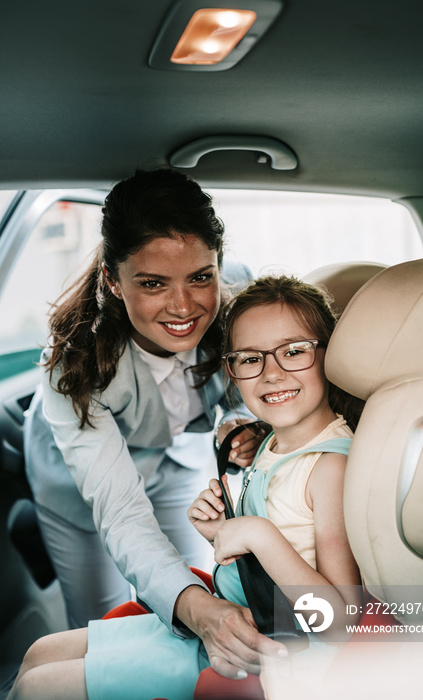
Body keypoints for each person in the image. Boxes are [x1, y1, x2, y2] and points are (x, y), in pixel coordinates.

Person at [10, 275, 362, 700]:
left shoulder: (329, 467)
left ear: (330, 354)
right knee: (38, 653)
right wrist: (224, 531)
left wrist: (258, 535)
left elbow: (340, 624)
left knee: (36, 687)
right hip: (231, 614)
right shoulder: (273, 441)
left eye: (293, 352)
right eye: (249, 359)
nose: (271, 374)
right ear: (231, 368)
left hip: (269, 650)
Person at [23, 168, 278, 675]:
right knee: (100, 624)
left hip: (171, 461)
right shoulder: (72, 362)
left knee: (183, 589)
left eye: (200, 277)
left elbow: (241, 387)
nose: (184, 306)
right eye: (153, 283)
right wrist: (197, 613)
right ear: (113, 282)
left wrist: (233, 420)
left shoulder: (237, 304)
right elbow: (120, 511)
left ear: (218, 267)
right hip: (77, 493)